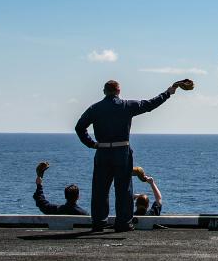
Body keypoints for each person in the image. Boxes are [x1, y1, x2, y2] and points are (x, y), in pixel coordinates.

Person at [75, 79, 187, 232]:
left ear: (104, 92)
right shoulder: (127, 106)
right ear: (118, 91)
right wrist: (168, 93)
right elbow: (149, 105)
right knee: (124, 189)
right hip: (122, 151)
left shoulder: (95, 108)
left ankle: (99, 223)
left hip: (103, 152)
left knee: (100, 190)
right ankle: (123, 224)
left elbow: (79, 127)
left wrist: (92, 143)